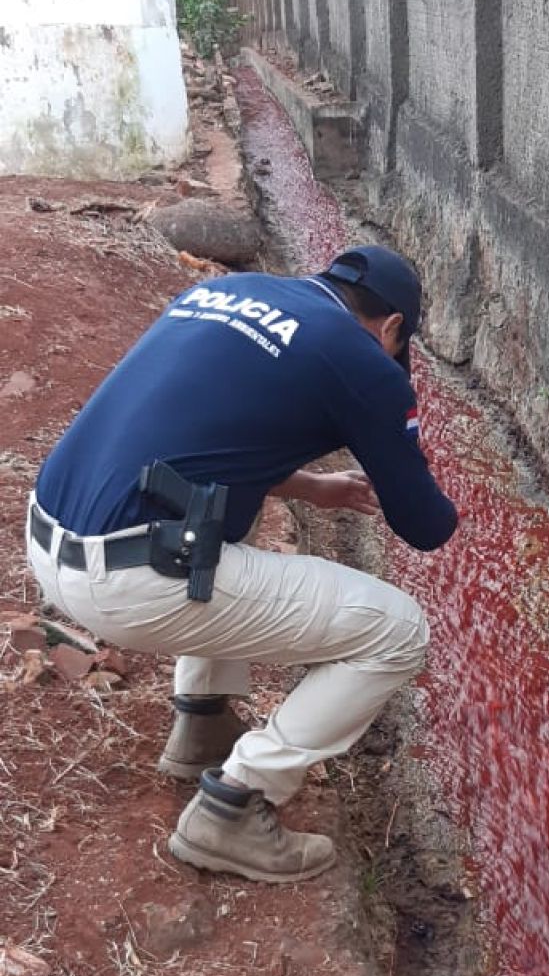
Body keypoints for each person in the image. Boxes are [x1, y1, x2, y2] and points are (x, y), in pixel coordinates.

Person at [27, 244, 458, 884]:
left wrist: (309, 487)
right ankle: (232, 806)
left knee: (236, 505)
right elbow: (424, 527)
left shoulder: (231, 292)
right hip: (126, 582)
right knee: (398, 632)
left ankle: (201, 726)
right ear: (392, 328)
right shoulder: (363, 360)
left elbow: (202, 436)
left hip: (50, 539)